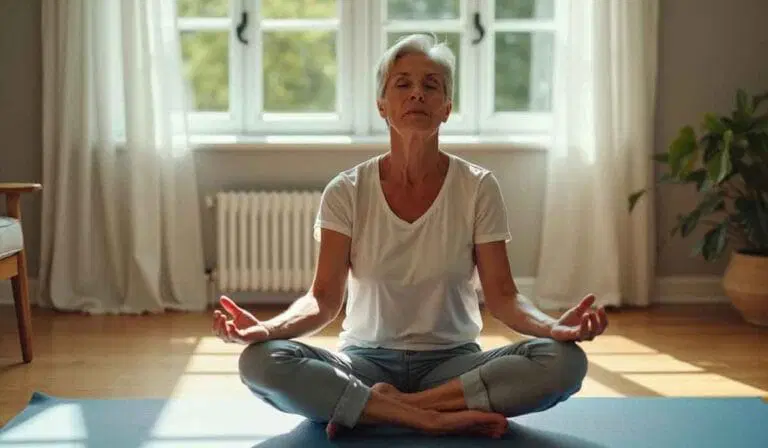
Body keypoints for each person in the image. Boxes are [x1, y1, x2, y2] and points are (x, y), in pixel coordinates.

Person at [211, 33, 608, 440]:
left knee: (564, 363)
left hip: (453, 364)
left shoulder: (478, 187)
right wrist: (268, 329)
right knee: (259, 362)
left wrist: (553, 328)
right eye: (402, 83)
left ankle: (376, 407)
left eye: (430, 85)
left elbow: (504, 297)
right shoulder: (346, 190)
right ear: (382, 105)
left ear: (447, 108)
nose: (417, 93)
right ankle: (433, 417)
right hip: (365, 361)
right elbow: (323, 299)